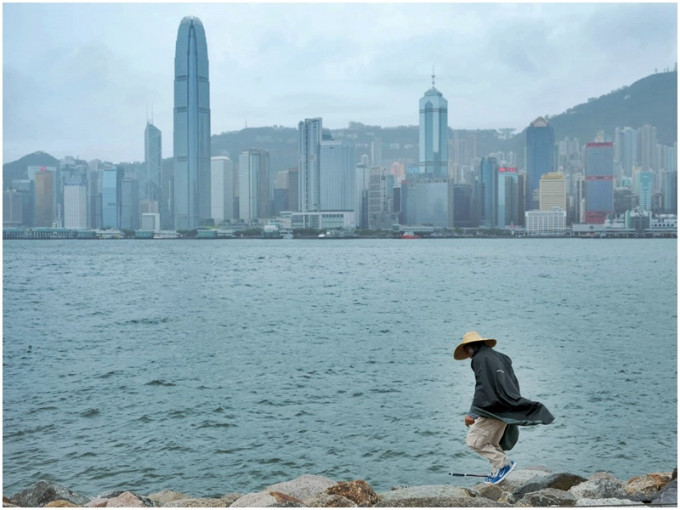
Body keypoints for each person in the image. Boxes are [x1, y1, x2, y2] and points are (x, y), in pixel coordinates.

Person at [453, 331, 554, 484]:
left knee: (474, 441)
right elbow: (513, 383)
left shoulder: (479, 359)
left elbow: (483, 386)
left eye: (467, 351)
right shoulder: (502, 358)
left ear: (470, 347)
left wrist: (473, 413)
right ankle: (497, 472)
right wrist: (512, 404)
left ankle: (502, 464)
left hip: (492, 408)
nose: (468, 355)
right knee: (492, 443)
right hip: (506, 406)